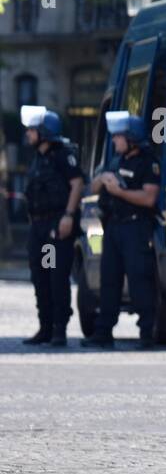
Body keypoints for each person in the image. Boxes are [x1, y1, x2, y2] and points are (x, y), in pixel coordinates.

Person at [82, 112, 160, 349]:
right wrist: (102, 179)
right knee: (109, 280)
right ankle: (103, 332)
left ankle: (147, 333)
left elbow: (149, 198)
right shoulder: (116, 161)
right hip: (113, 227)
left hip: (136, 227)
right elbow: (92, 188)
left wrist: (119, 192)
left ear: (132, 138)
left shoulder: (148, 163)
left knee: (139, 280)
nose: (114, 140)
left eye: (118, 136)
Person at [19, 106, 84, 347]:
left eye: (32, 130)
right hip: (39, 228)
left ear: (43, 132)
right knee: (41, 276)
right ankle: (45, 326)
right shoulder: (38, 158)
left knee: (56, 277)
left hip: (56, 227)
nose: (28, 134)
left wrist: (68, 216)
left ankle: (58, 329)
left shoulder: (62, 156)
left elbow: (76, 184)